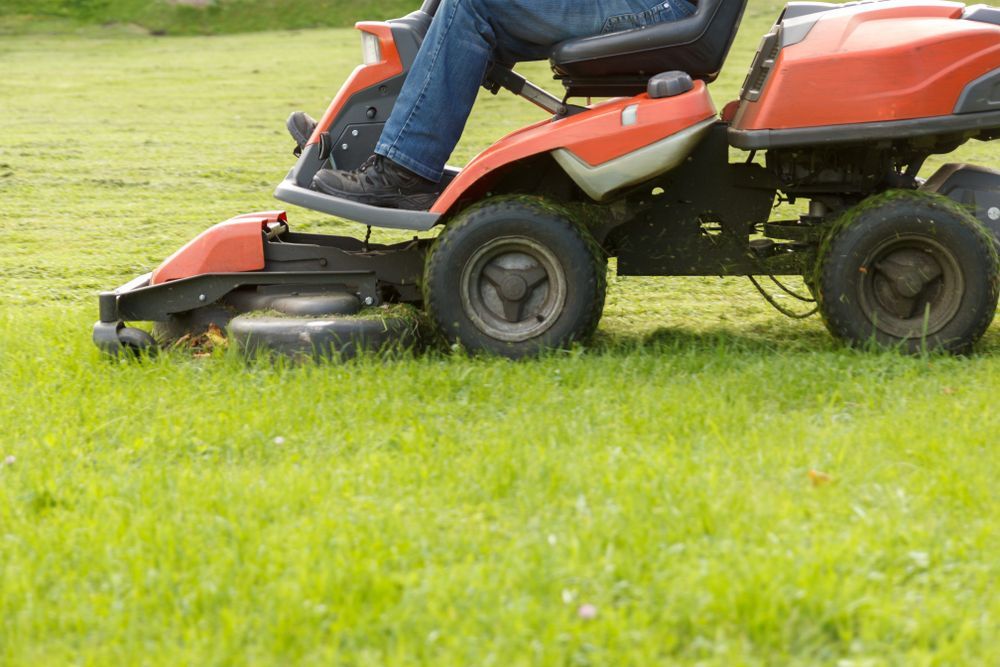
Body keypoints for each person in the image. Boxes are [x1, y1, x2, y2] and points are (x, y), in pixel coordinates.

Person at [311, 0, 698, 210]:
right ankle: (376, 145)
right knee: (460, 10)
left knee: (472, 4)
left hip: (658, 6)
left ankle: (404, 170)